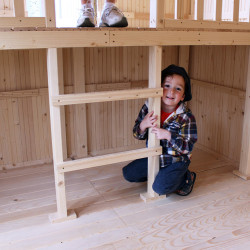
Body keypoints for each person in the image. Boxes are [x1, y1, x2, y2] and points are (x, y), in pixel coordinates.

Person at [123, 64, 198, 196]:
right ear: (159, 89)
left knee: (160, 188)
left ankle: (186, 178)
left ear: (182, 96)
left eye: (178, 88)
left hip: (176, 162)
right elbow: (137, 134)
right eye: (167, 86)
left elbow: (188, 147)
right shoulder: (148, 107)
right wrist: (143, 125)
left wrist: (169, 135)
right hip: (155, 157)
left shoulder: (186, 116)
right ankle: (162, 176)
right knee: (128, 173)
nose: (171, 91)